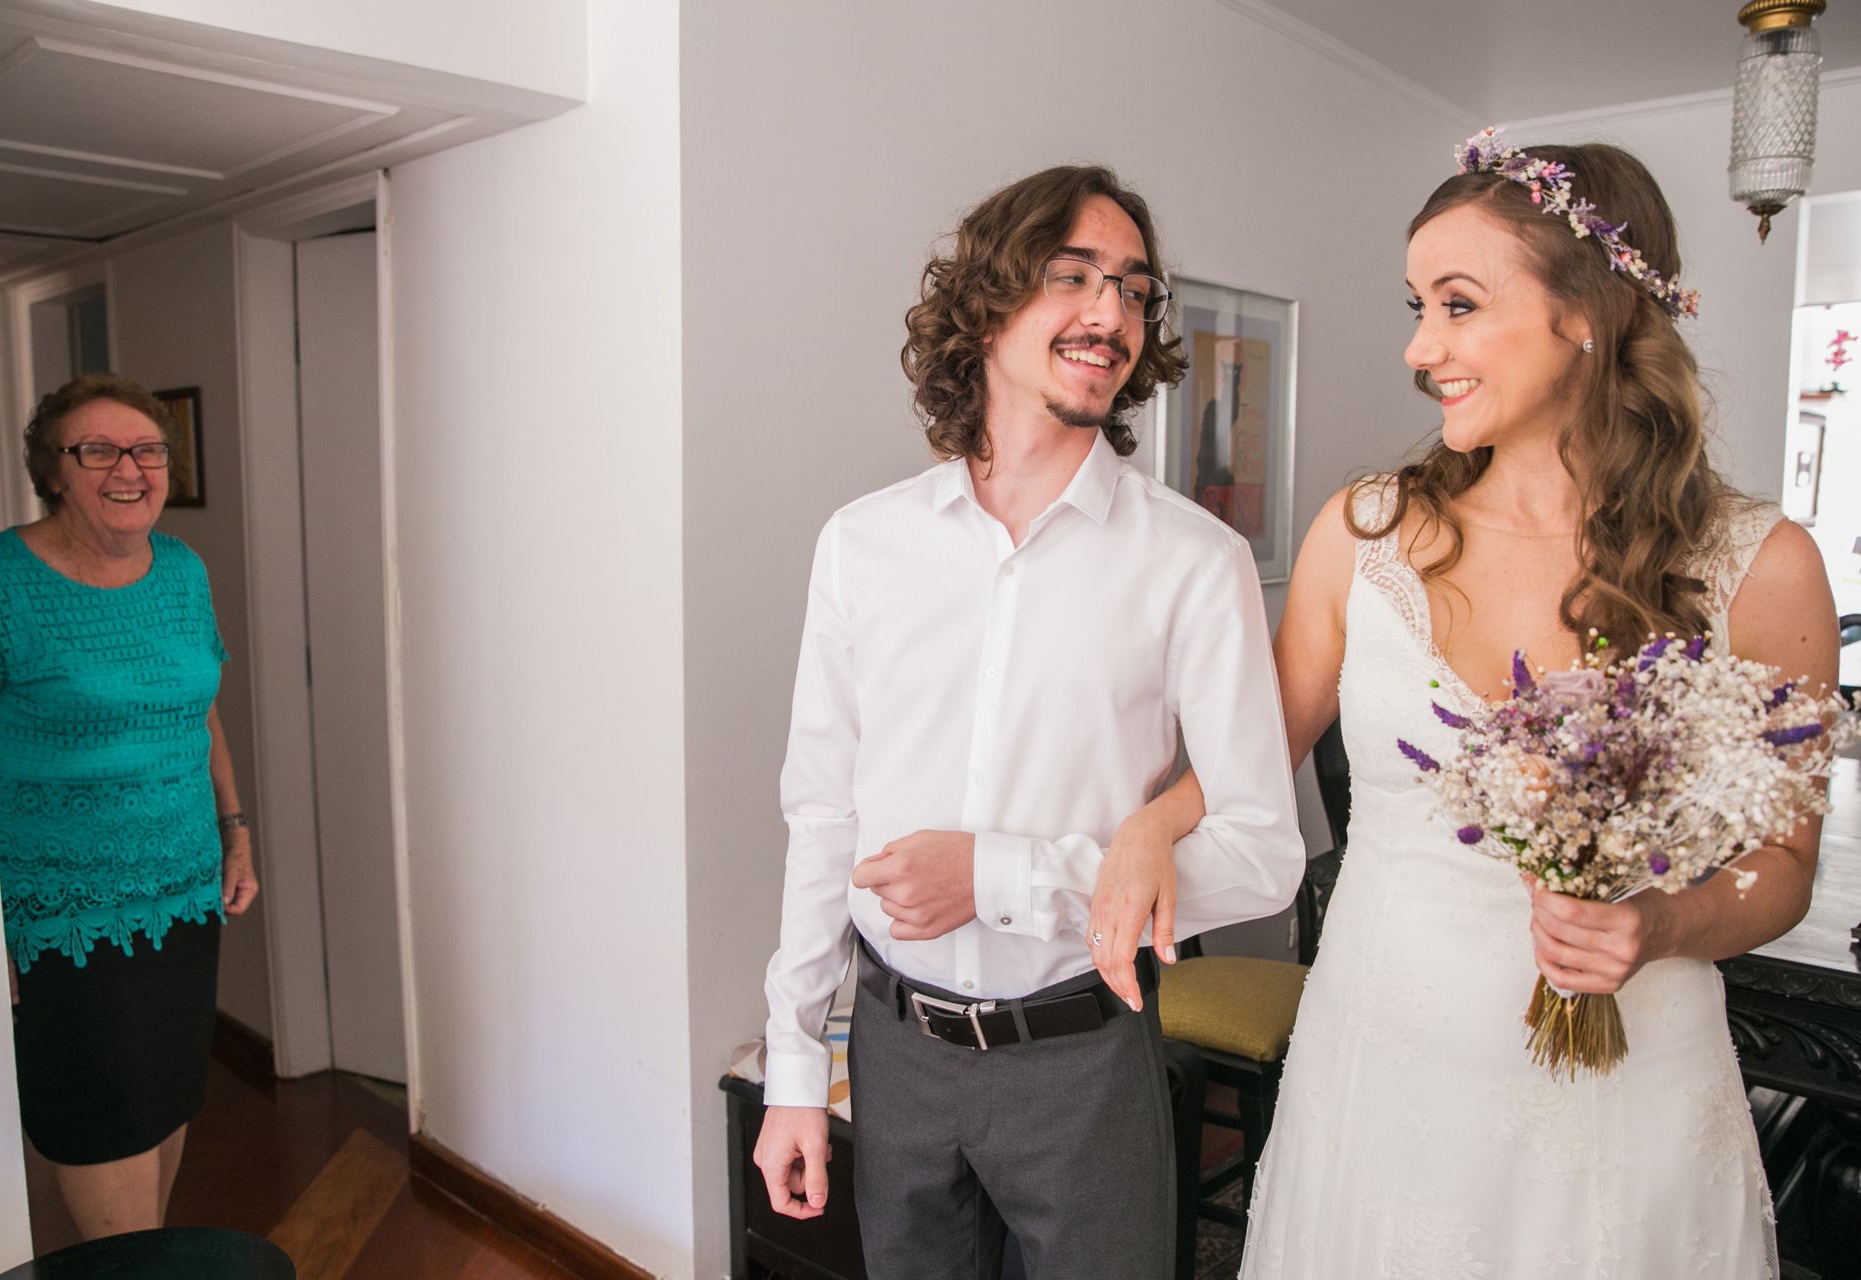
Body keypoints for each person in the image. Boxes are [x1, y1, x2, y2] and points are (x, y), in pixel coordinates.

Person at [1106, 134, 1839, 1275]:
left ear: (1585, 311)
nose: (1418, 347)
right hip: (1386, 1075)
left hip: (1629, 1086)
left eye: (1458, 304)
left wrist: (1660, 925)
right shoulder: (1367, 533)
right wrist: (1153, 822)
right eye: (1417, 305)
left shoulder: (1761, 563)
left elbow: (1784, 861)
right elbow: (1254, 753)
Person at [750, 165, 1305, 1279]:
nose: (1111, 315)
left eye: (1135, 291)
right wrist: (795, 1066)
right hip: (896, 1054)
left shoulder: (1195, 561)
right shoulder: (863, 544)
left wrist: (1003, 876)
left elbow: (1263, 851)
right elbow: (822, 813)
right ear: (988, 303)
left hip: (1083, 1063)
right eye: (1073, 277)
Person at [0, 373, 258, 1240]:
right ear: (51, 469)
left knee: (166, 1108)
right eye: (95, 450)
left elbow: (199, 709)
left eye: (146, 449)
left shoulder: (180, 568)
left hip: (181, 893)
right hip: (61, 913)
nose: (127, 468)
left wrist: (235, 830)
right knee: (102, 1125)